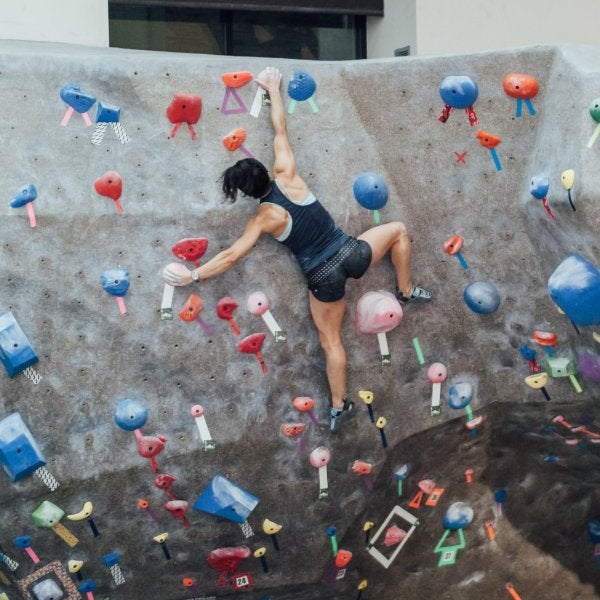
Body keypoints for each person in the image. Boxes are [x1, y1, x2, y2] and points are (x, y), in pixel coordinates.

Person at [163, 67, 431, 432]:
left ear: (244, 192)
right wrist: (273, 87)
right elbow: (279, 130)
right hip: (351, 252)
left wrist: (192, 274)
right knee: (398, 230)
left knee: (330, 340)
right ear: (265, 170)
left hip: (323, 277)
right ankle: (406, 290)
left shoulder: (262, 218)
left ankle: (338, 407)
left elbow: (231, 256)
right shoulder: (288, 173)